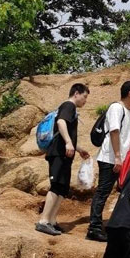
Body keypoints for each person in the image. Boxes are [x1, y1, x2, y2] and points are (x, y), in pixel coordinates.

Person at [87, 81, 130, 242]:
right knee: (103, 192)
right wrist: (117, 156)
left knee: (124, 191)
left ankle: (118, 225)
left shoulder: (127, 112)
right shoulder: (116, 108)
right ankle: (94, 228)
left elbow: (128, 138)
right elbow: (114, 131)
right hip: (110, 158)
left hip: (120, 160)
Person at [36, 83, 91, 236]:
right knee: (56, 186)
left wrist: (78, 149)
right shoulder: (68, 105)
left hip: (64, 154)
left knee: (62, 188)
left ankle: (52, 221)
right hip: (58, 153)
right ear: (76, 93)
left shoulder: (70, 108)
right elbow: (61, 122)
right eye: (85, 97)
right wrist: (68, 142)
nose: (85, 101)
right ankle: (43, 221)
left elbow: (65, 131)